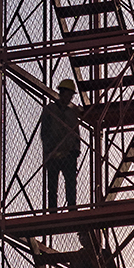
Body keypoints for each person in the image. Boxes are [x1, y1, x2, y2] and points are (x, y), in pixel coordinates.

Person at [40, 79, 80, 211]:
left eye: (71, 95)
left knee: (70, 184)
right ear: (61, 93)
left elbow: (76, 133)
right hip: (53, 153)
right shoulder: (50, 109)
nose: (69, 98)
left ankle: (72, 208)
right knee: (52, 186)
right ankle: (52, 210)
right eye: (67, 94)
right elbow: (44, 131)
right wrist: (48, 149)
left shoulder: (72, 112)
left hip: (68, 154)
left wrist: (75, 150)